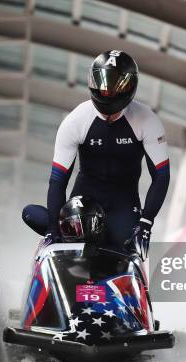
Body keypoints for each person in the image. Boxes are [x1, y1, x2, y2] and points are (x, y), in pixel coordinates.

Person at [22, 50, 170, 259]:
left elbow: (162, 175)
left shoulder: (147, 120)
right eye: (103, 87)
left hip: (124, 205)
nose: (107, 94)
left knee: (125, 255)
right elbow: (57, 180)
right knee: (58, 239)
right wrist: (53, 229)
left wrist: (146, 222)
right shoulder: (76, 120)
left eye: (113, 89)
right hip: (83, 205)